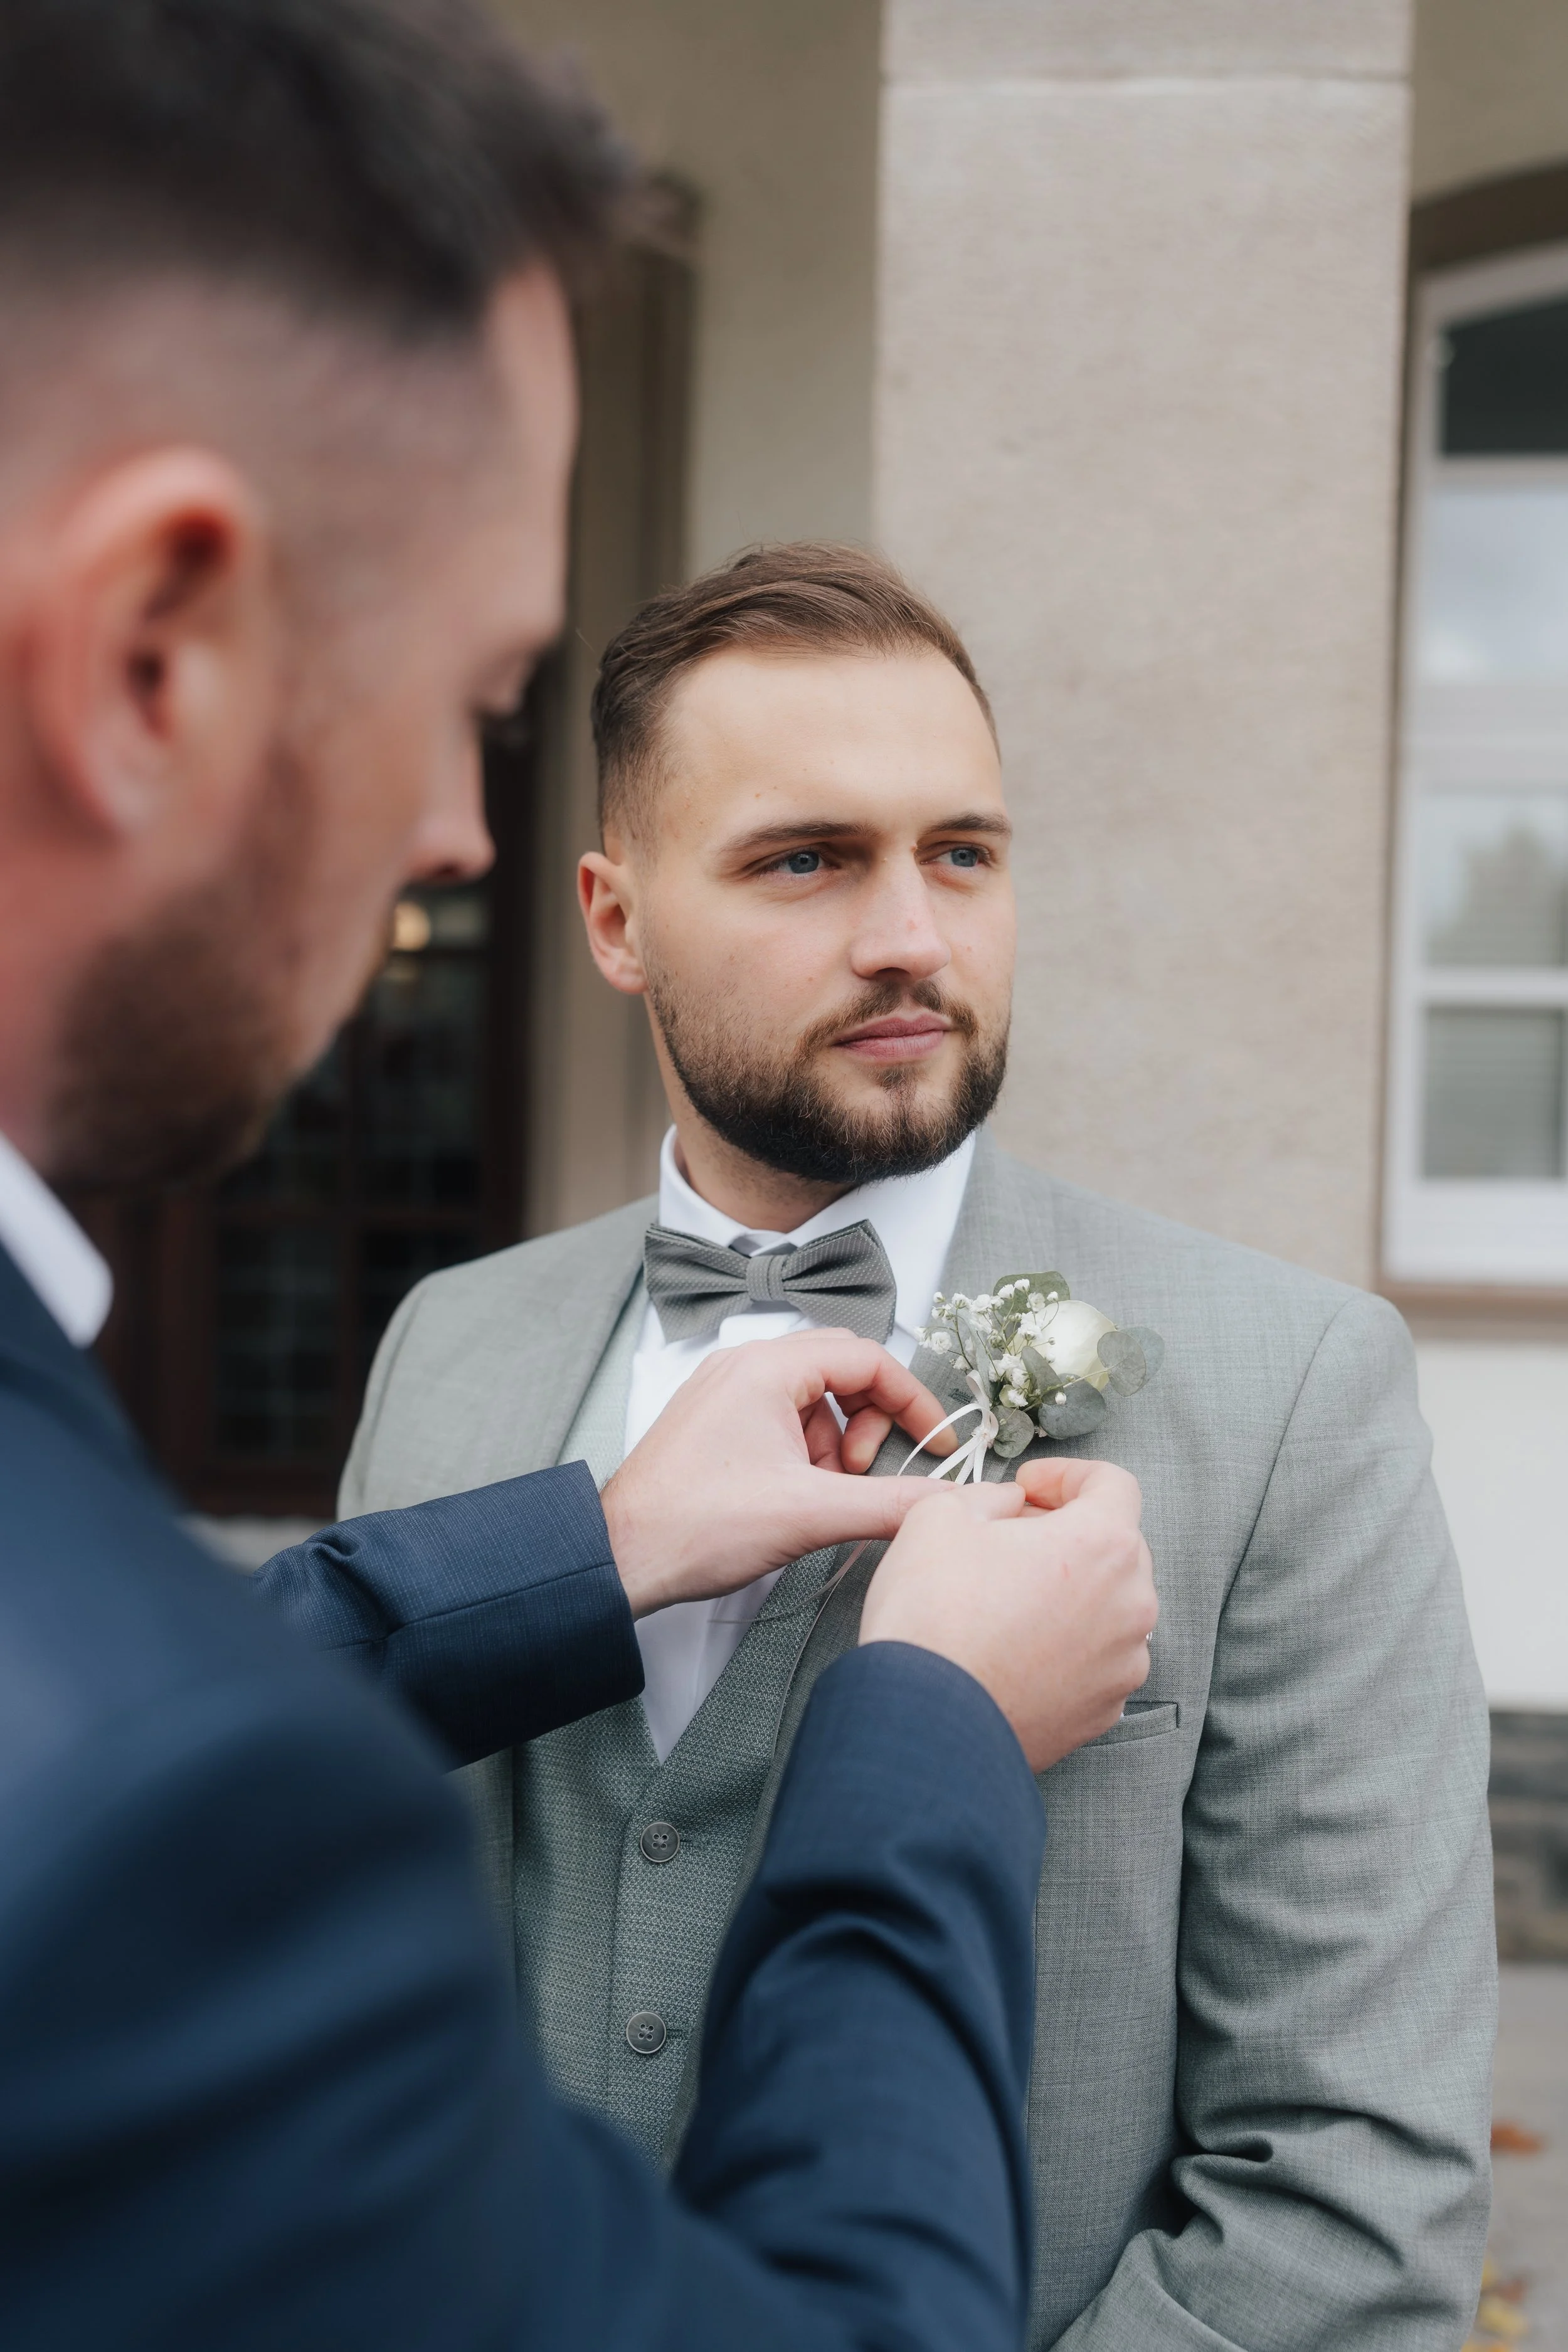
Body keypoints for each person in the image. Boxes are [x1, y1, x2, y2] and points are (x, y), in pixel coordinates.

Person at [0, 4, 1163, 2345]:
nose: (457, 831)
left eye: (964, 849)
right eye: (471, 696)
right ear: (148, 657)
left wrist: (595, 1547)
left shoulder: (1279, 1380)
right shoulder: (161, 1797)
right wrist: (928, 1736)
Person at [347, 540, 1500, 2351]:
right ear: (615, 920)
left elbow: (1349, 2203)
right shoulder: (451, 1346)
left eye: (960, 852)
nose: (913, 935)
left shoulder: (1290, 1389)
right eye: (805, 859)